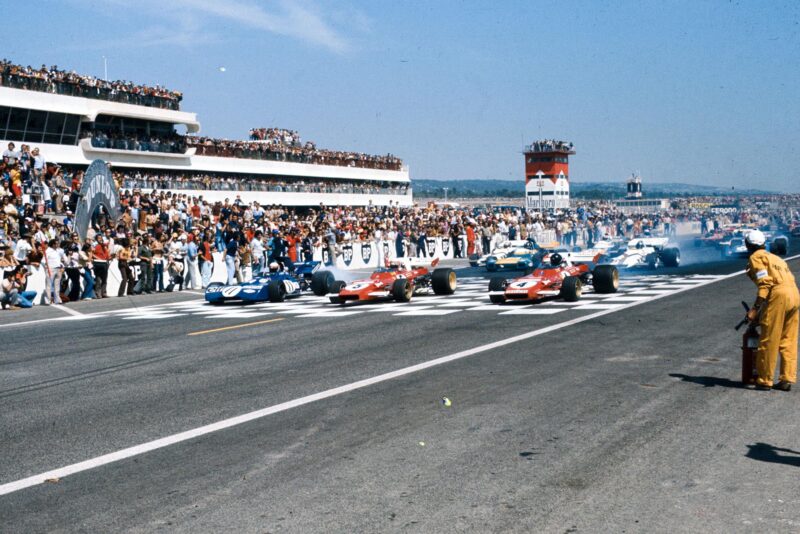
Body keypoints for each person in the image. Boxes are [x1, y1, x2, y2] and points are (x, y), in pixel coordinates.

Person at [744, 230, 799, 391]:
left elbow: (765, 284)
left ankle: (764, 380)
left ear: (748, 245)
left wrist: (754, 310)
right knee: (789, 340)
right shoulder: (776, 258)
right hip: (795, 295)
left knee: (769, 339)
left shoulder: (756, 257)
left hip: (778, 295)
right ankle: (786, 379)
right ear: (762, 243)